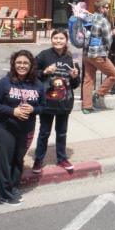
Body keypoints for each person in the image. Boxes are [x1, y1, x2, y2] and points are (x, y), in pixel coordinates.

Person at [0, 50, 45, 205]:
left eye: (25, 63)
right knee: (5, 161)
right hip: (5, 127)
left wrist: (34, 110)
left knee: (18, 159)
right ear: (13, 64)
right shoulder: (4, 83)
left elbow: (43, 106)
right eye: (19, 62)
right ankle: (2, 194)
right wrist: (13, 111)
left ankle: (12, 187)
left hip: (26, 128)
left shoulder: (38, 85)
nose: (22, 65)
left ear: (31, 65)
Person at [33, 29, 80, 174]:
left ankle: (62, 158)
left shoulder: (71, 57)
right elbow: (32, 74)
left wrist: (74, 77)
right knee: (44, 132)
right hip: (47, 102)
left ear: (66, 40)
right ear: (51, 39)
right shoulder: (44, 55)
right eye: (55, 38)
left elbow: (75, 84)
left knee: (61, 132)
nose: (58, 41)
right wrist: (44, 72)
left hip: (64, 102)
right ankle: (39, 159)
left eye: (61, 38)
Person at [81, 0, 115, 114]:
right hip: (98, 54)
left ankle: (87, 107)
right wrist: (108, 50)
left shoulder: (89, 18)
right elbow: (108, 39)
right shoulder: (103, 20)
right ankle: (98, 94)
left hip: (86, 53)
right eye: (106, 7)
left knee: (88, 80)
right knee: (114, 75)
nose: (108, 9)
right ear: (101, 8)